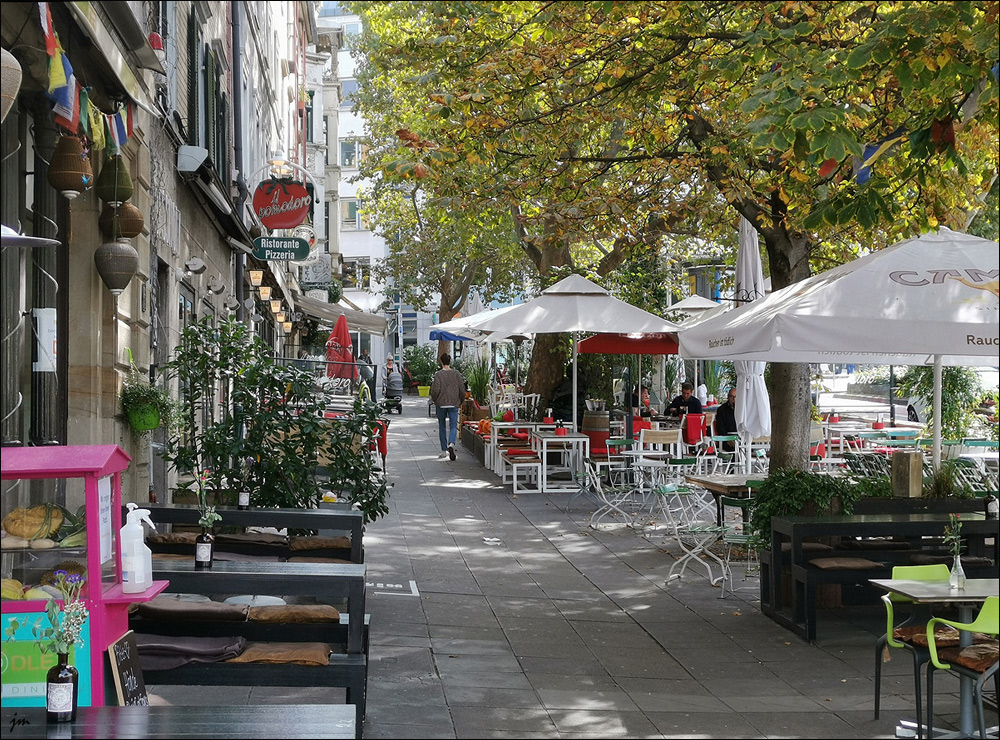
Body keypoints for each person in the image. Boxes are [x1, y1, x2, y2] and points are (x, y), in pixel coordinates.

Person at [430, 353, 465, 460]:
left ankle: (443, 450)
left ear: (441, 361)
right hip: (454, 402)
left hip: (441, 403)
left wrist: (435, 400)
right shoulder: (456, 374)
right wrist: (461, 400)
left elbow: (435, 390)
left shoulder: (438, 374)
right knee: (453, 426)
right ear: (450, 361)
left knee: (442, 426)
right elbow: (461, 389)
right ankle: (451, 443)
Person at [714, 387, 738, 451]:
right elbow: (720, 427)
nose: (734, 399)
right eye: (731, 397)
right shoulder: (722, 409)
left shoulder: (742, 409)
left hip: (739, 437)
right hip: (726, 438)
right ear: (728, 397)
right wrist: (727, 439)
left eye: (735, 397)